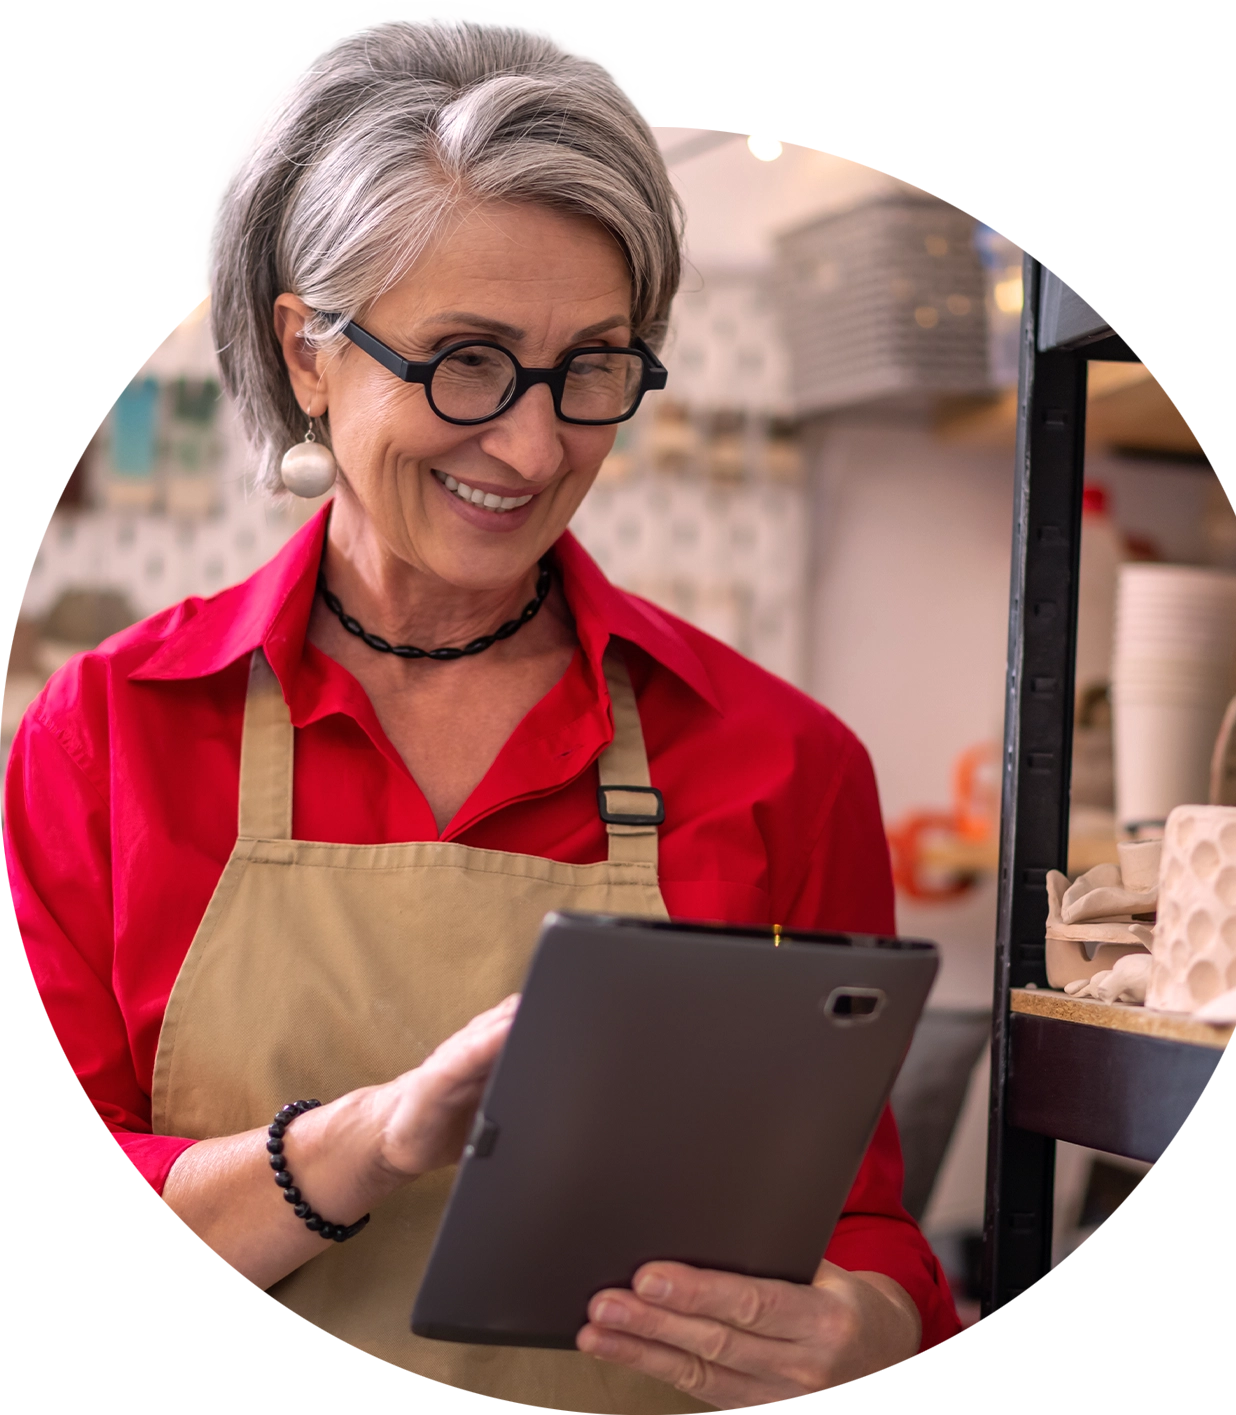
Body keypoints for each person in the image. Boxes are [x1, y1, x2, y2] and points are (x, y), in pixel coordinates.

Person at [5, 14, 960, 1412]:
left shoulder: (778, 762)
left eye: (592, 367)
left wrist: (869, 1334)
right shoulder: (112, 736)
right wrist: (373, 1139)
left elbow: (857, 1224)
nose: (531, 444)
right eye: (466, 357)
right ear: (311, 351)